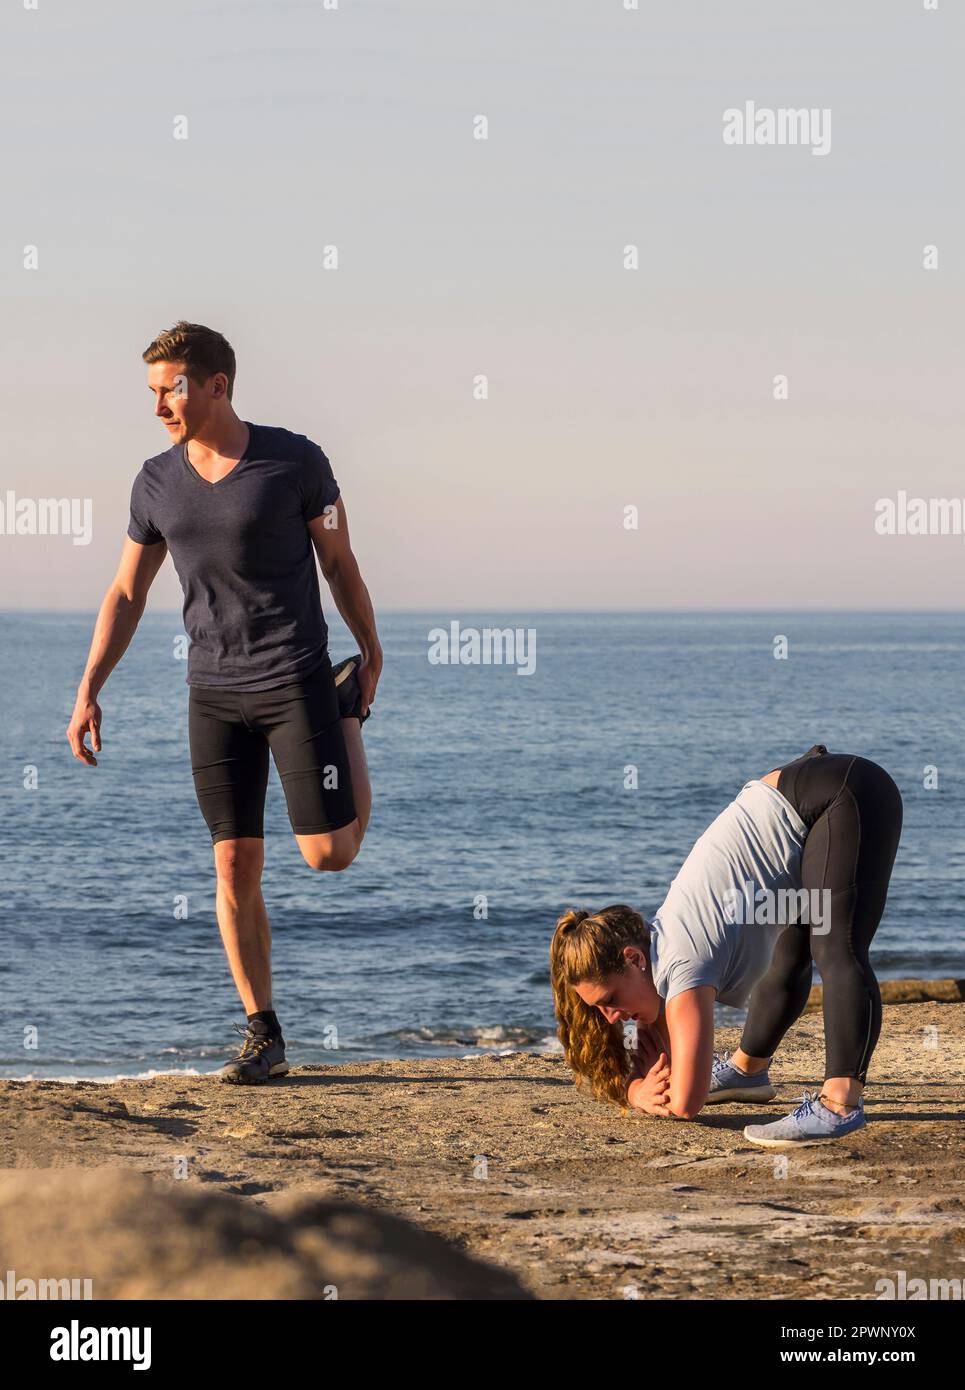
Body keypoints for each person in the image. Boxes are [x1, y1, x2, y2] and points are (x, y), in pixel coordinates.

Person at [65, 321, 383, 1084]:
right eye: (150, 393)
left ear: (216, 385)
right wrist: (87, 690)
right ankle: (261, 1031)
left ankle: (347, 718)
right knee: (233, 864)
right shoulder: (154, 482)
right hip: (211, 693)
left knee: (328, 855)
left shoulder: (295, 462)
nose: (158, 407)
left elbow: (338, 561)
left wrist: (369, 652)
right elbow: (124, 591)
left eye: (169, 389)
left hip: (296, 681)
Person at [549, 745, 904, 1146]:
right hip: (804, 798)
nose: (612, 1017)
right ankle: (747, 1071)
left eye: (609, 999)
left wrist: (638, 1092)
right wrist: (641, 1075)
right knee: (790, 953)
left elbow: (684, 1102)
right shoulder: (662, 946)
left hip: (843, 794)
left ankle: (840, 1103)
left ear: (633, 959)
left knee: (836, 946)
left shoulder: (682, 964)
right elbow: (675, 1062)